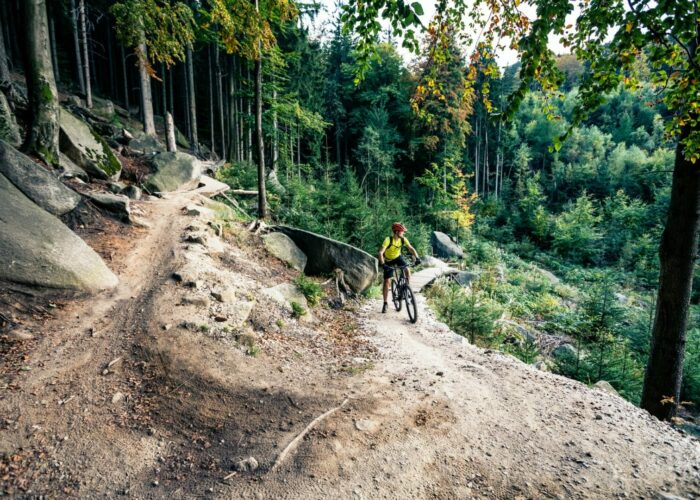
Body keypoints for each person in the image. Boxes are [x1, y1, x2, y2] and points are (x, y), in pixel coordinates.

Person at [378, 222, 421, 313]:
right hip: (388, 260)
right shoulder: (388, 240)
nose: (403, 233)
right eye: (402, 231)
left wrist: (417, 258)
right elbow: (381, 253)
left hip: (398, 257)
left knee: (407, 270)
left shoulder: (403, 239)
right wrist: (383, 265)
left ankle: (407, 288)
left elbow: (411, 248)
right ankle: (385, 303)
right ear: (396, 232)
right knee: (387, 281)